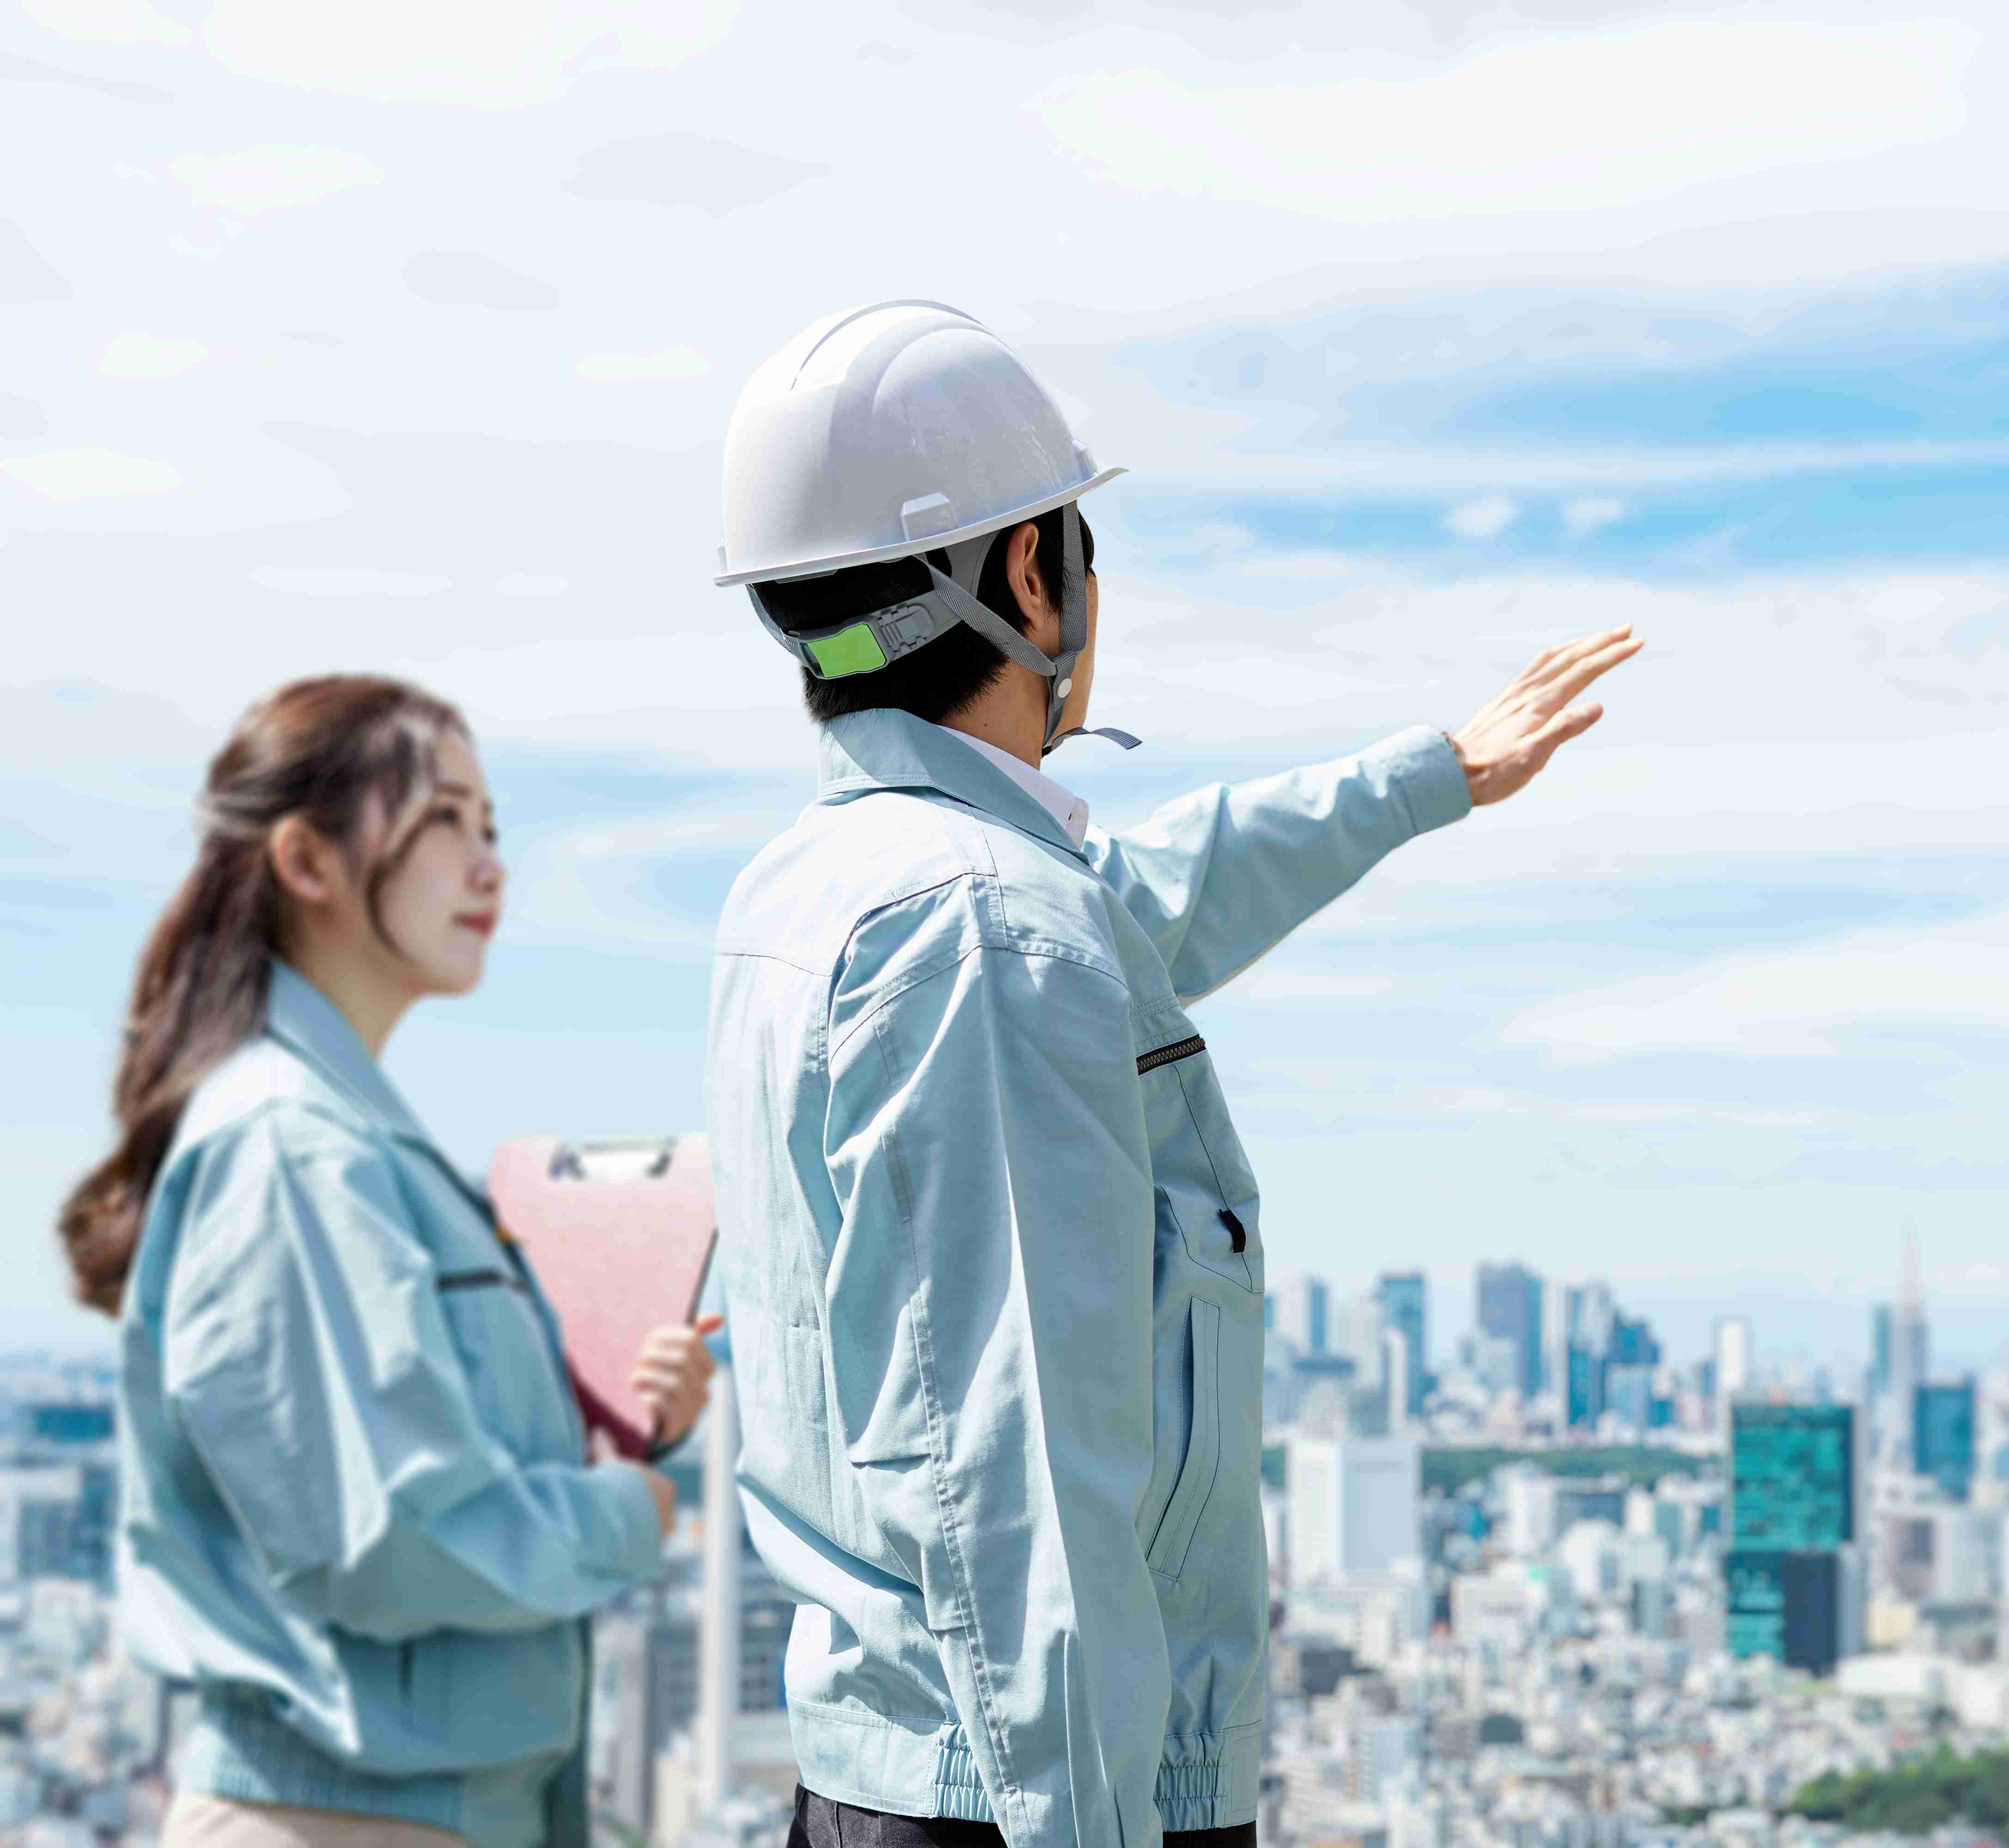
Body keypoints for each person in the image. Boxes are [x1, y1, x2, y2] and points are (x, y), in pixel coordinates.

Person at [706, 302, 1642, 1848]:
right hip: (1036, 1803)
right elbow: (1017, 1492)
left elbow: (1144, 901)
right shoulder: (982, 931)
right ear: (1025, 572)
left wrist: (1429, 778)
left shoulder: (824, 892)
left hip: (893, 1784)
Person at [63, 675, 720, 1848]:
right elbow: (391, 1539)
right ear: (309, 862)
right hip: (342, 1816)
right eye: (441, 821)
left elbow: (396, 1464)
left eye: (492, 827)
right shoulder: (293, 1145)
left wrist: (618, 1425)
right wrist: (625, 1509)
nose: (489, 865)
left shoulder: (350, 1137)